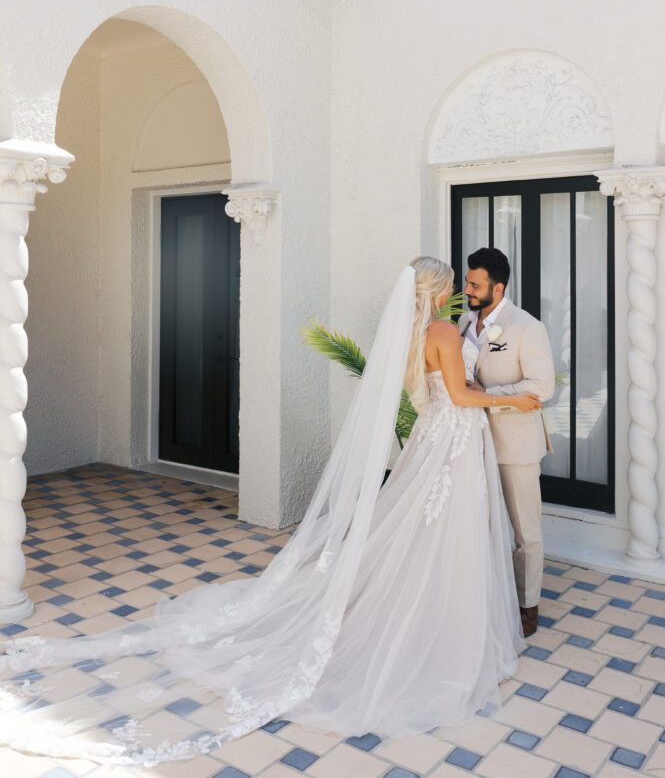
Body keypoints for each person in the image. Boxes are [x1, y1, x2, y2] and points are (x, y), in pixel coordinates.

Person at [0, 258, 540, 767]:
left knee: (428, 527)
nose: (459, 292)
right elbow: (463, 399)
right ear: (440, 290)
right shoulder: (445, 332)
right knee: (447, 527)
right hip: (455, 438)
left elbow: (438, 393)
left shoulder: (417, 335)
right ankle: (441, 620)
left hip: (437, 437)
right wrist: (513, 401)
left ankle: (428, 606)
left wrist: (474, 392)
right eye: (455, 285)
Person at [462, 248, 555, 637]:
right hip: (472, 440)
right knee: (481, 523)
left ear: (497, 288)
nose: (467, 289)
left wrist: (490, 394)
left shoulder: (526, 327)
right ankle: (492, 595)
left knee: (524, 529)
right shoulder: (466, 321)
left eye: (474, 284)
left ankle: (527, 605)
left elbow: (541, 387)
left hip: (515, 442)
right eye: (468, 281)